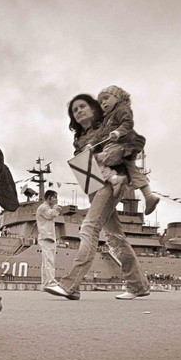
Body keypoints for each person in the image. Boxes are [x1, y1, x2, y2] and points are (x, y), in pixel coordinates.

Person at [44, 94, 150, 301]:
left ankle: (70, 285)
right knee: (114, 237)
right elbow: (85, 165)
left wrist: (118, 151)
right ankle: (138, 285)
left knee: (89, 228)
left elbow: (137, 140)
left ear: (94, 109)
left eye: (83, 106)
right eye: (75, 110)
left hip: (113, 182)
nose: (79, 111)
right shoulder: (79, 138)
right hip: (94, 185)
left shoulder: (109, 124)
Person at [96, 85, 160, 215]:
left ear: (117, 97)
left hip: (118, 144)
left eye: (106, 98)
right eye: (101, 102)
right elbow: (99, 135)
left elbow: (128, 123)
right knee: (133, 170)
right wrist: (91, 143)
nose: (103, 103)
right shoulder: (106, 118)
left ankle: (114, 179)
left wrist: (118, 132)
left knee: (95, 160)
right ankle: (148, 196)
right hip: (127, 147)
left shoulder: (121, 109)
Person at [36, 190, 62, 290]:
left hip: (49, 237)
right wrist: (56, 207)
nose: (56, 199)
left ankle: (45, 284)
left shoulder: (46, 208)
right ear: (50, 197)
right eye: (55, 197)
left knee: (46, 261)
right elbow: (50, 214)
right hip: (46, 237)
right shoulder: (43, 208)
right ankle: (51, 282)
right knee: (49, 260)